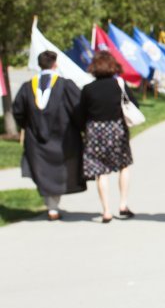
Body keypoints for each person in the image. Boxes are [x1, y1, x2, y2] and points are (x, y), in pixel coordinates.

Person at [12, 50, 86, 221]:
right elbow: (79, 108)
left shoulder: (27, 86)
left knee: (43, 171)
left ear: (39, 65)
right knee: (58, 171)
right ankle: (53, 206)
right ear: (55, 64)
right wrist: (81, 127)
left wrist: (28, 126)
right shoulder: (65, 85)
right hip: (63, 137)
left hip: (35, 139)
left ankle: (51, 206)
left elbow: (18, 111)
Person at [78, 51, 136, 223]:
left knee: (100, 172)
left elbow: (81, 113)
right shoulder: (119, 85)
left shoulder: (88, 89)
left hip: (95, 131)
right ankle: (123, 204)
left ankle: (106, 211)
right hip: (117, 129)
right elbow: (133, 104)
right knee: (123, 165)